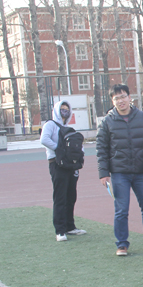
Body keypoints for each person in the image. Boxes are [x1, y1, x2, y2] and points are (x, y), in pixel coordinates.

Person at [96, 84, 143, 256]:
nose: (121, 101)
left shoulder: (142, 117)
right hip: (119, 173)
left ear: (130, 97)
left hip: (141, 171)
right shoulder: (107, 122)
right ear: (112, 101)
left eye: (123, 97)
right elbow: (101, 149)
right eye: (117, 98)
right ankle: (122, 244)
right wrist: (103, 173)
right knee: (121, 210)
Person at [40, 100, 86, 241]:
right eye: (62, 109)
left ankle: (70, 226)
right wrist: (59, 149)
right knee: (60, 197)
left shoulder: (68, 128)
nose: (64, 111)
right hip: (56, 164)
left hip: (69, 165)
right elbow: (44, 139)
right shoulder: (50, 125)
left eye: (67, 109)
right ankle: (60, 230)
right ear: (57, 110)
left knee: (71, 196)